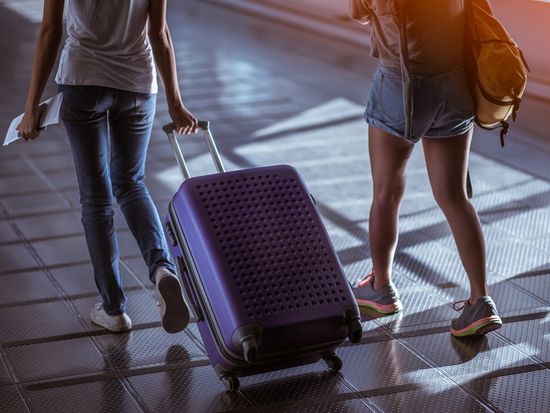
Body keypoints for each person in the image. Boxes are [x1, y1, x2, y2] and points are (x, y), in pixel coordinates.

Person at [17, 0, 196, 334]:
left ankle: (113, 309)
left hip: (83, 80)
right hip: (138, 84)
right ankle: (161, 268)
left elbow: (50, 31)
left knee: (96, 198)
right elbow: (159, 32)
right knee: (131, 182)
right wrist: (176, 104)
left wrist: (30, 107)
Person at [349, 0, 502, 337]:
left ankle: (381, 287)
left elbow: (358, 14)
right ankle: (480, 300)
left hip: (400, 87)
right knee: (455, 198)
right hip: (454, 87)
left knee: (386, 195)